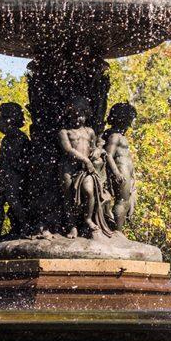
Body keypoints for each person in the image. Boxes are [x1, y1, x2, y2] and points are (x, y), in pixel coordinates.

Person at [58, 97, 114, 237]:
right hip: (69, 168)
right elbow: (68, 150)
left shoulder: (89, 131)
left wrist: (97, 151)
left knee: (89, 191)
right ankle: (72, 227)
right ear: (70, 114)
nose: (79, 118)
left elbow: (94, 146)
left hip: (85, 169)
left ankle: (88, 218)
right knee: (68, 197)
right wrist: (86, 160)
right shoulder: (64, 132)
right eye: (76, 115)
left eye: (82, 115)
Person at [0, 95, 30, 241]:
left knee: (12, 200)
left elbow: (1, 126)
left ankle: (26, 227)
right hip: (4, 173)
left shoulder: (17, 134)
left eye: (5, 117)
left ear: (12, 119)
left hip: (14, 174)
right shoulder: (10, 136)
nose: (3, 120)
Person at [102, 102, 137, 232]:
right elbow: (109, 155)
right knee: (122, 201)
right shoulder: (115, 136)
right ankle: (118, 231)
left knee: (125, 201)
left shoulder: (119, 135)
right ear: (124, 118)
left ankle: (118, 230)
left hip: (126, 170)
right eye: (131, 118)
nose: (132, 122)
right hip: (121, 169)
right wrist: (116, 173)